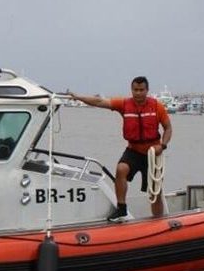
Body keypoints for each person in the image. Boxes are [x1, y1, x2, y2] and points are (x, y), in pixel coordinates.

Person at [67, 76, 173, 221]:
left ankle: (159, 220)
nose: (138, 93)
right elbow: (99, 102)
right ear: (132, 90)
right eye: (135, 90)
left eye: (141, 90)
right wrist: (78, 97)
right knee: (121, 169)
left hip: (153, 153)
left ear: (147, 90)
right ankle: (121, 208)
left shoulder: (157, 106)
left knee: (155, 191)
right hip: (133, 150)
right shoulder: (124, 104)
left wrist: (163, 145)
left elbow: (168, 128)